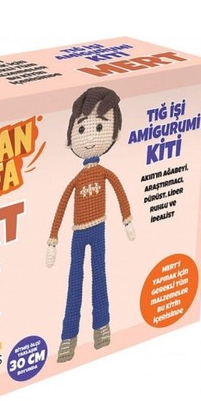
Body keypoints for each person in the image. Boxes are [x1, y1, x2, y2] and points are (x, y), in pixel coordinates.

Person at [47, 87, 135, 363]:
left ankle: (102, 326)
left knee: (99, 275)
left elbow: (120, 193)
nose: (87, 139)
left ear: (112, 134)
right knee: (75, 281)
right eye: (82, 129)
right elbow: (62, 205)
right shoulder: (77, 180)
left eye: (98, 127)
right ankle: (68, 336)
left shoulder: (105, 173)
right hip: (77, 234)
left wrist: (127, 220)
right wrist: (52, 239)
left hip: (98, 230)